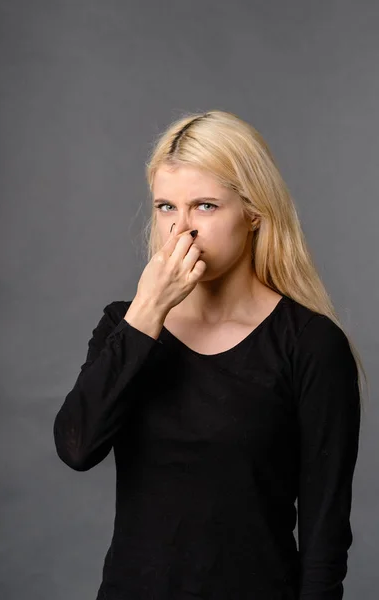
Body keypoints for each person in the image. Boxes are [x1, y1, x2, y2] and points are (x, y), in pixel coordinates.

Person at [53, 110, 366, 599]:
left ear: (254, 212)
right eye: (165, 207)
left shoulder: (309, 344)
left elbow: (326, 534)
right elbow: (76, 448)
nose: (181, 230)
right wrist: (149, 310)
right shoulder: (125, 326)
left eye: (204, 206)